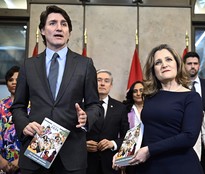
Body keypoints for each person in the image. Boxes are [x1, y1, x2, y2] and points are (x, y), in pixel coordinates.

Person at [10, 5, 102, 174]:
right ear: (43, 31)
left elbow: (95, 105)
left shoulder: (84, 64)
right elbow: (18, 106)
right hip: (35, 152)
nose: (59, 28)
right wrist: (24, 125)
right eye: (52, 23)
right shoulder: (28, 65)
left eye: (64, 24)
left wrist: (86, 117)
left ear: (68, 31)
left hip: (72, 156)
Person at [113, 44, 204, 174]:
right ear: (153, 69)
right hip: (148, 166)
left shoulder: (191, 97)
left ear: (177, 64)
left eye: (168, 59)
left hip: (179, 166)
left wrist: (149, 150)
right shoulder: (150, 96)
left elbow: (189, 137)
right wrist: (124, 154)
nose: (164, 65)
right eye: (158, 62)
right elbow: (144, 129)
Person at [86, 69, 129, 174]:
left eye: (106, 81)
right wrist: (83, 144)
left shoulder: (121, 108)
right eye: (99, 80)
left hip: (110, 164)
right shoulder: (82, 106)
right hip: (86, 163)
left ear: (111, 85)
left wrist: (113, 143)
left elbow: (127, 136)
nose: (102, 83)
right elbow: (73, 134)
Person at [183, 51, 205, 173]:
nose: (192, 66)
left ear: (199, 65)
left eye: (195, 63)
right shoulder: (178, 86)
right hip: (186, 134)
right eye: (189, 63)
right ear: (184, 65)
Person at [0, 66, 20, 174]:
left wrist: (20, 162)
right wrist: (1, 162)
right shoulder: (0, 105)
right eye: (10, 80)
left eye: (18, 79)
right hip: (2, 162)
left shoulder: (35, 106)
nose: (14, 82)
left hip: (26, 162)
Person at [121, 81, 144, 174]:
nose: (138, 93)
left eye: (141, 90)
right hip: (130, 150)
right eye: (135, 91)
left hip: (148, 148)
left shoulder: (153, 108)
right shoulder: (124, 109)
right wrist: (123, 160)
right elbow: (121, 133)